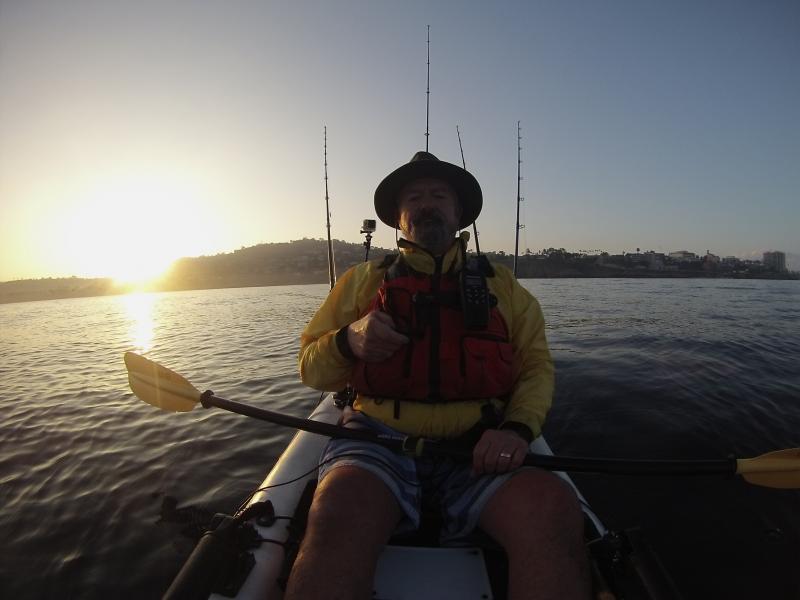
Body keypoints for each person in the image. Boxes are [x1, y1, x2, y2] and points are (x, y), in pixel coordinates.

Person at [286, 151, 590, 600]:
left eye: (439, 195)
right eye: (414, 197)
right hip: (377, 440)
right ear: (399, 218)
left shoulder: (503, 287)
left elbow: (536, 366)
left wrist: (517, 428)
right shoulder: (360, 282)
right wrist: (347, 340)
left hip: (478, 448)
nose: (427, 204)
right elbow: (310, 367)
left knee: (552, 509)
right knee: (337, 510)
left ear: (458, 212)